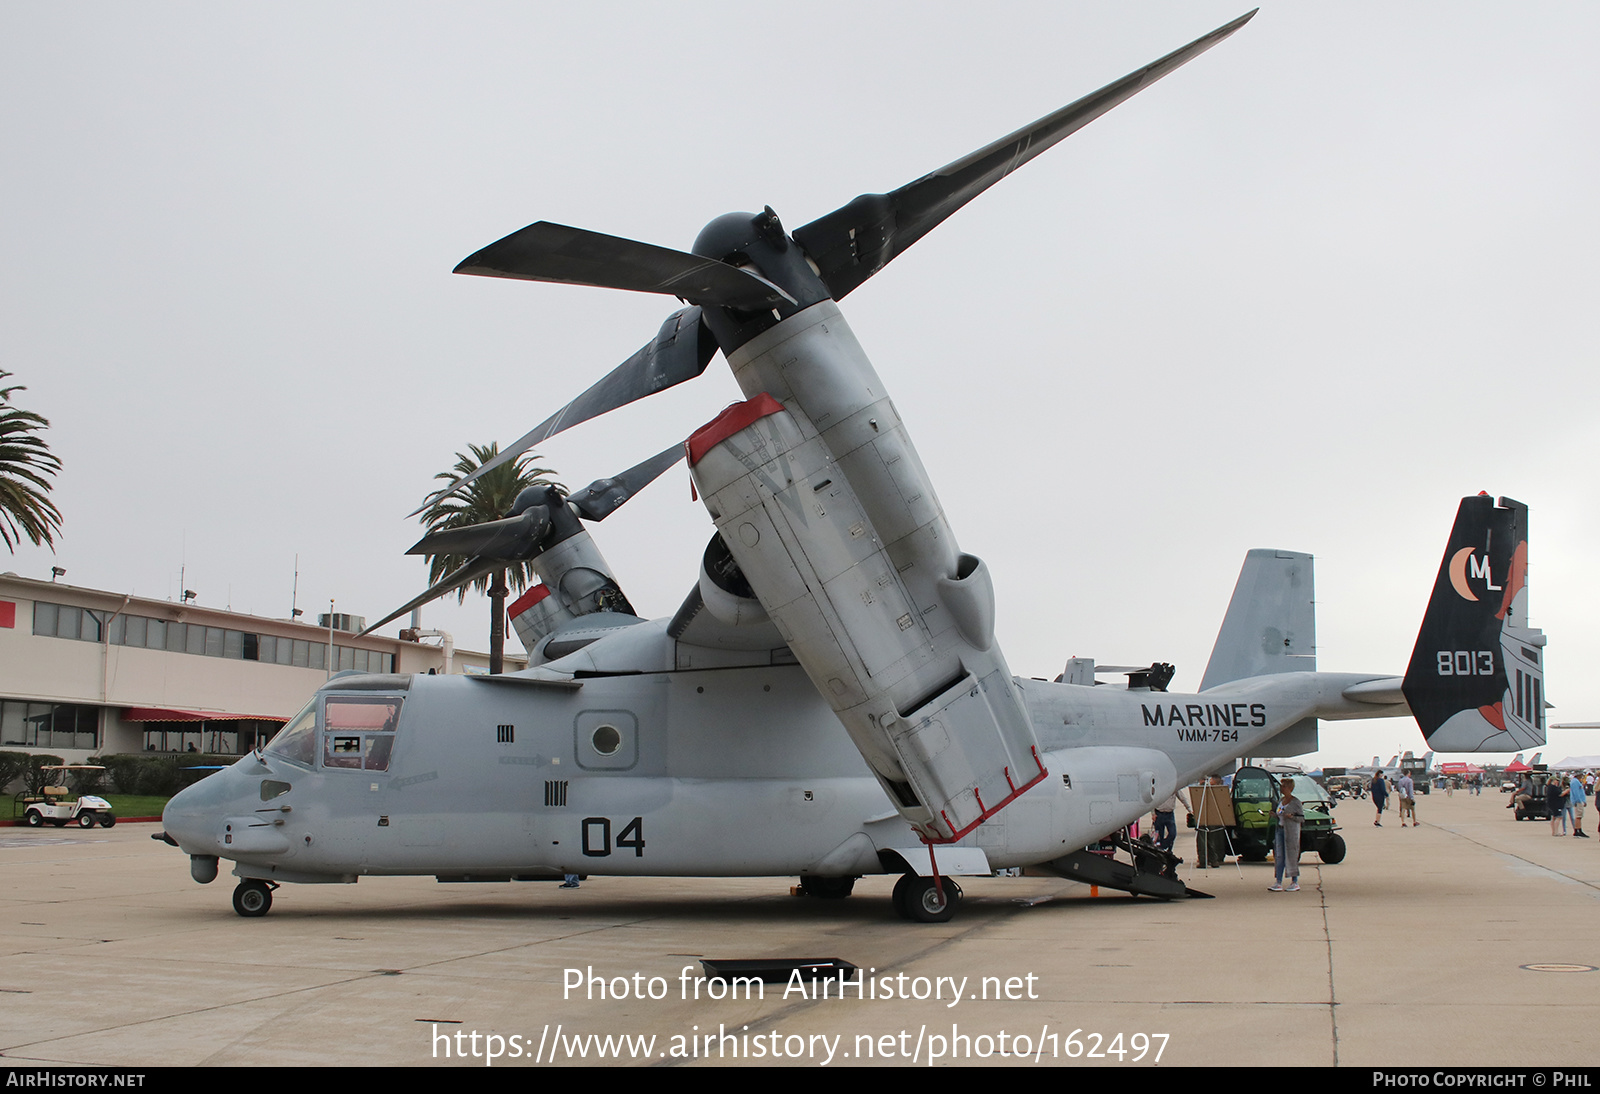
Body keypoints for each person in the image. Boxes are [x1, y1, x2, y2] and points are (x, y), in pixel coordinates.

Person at [1270, 777, 1305, 892]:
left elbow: (1301, 818)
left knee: (1291, 855)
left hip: (1291, 832)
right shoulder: (1281, 800)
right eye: (1281, 786)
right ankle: (1278, 881)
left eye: (1284, 786)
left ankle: (1294, 881)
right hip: (1280, 830)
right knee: (1279, 856)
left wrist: (1292, 817)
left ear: (1290, 788)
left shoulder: (1296, 802)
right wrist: (1274, 815)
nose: (1282, 788)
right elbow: (1279, 814)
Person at [1152, 786, 1191, 854]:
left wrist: (1189, 809)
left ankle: (1164, 846)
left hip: (1169, 814)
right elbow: (1151, 800)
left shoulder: (1174, 787)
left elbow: (1182, 798)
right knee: (1159, 835)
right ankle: (1159, 850)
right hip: (1159, 813)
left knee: (1172, 834)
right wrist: (1153, 813)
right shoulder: (1157, 788)